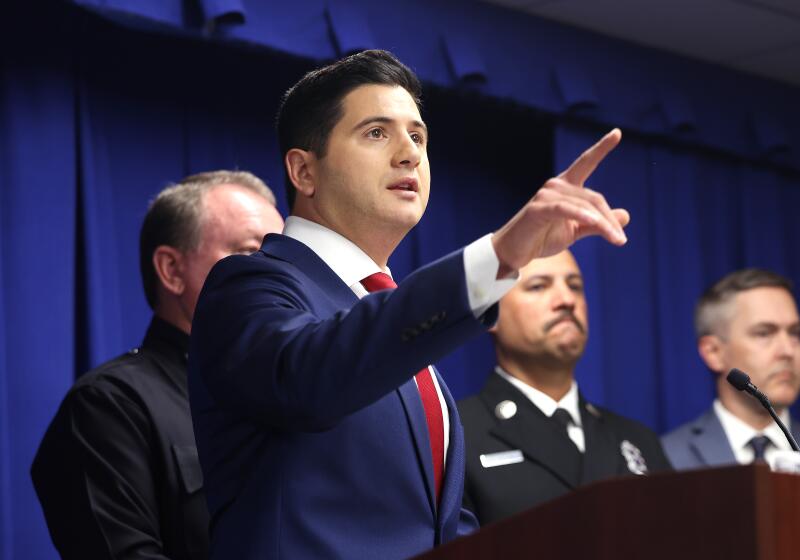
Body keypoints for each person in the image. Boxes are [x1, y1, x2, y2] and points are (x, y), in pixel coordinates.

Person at [188, 49, 630, 560]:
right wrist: (499, 257)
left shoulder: (396, 320)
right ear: (303, 172)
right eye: (377, 133)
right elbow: (310, 378)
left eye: (417, 136)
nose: (409, 154)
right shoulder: (249, 284)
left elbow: (441, 527)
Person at [31, 171, 284, 559]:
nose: (279, 275)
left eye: (281, 257)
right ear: (171, 270)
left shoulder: (292, 394)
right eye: (251, 252)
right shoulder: (109, 407)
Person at [457, 250, 672, 525]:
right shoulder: (457, 435)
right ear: (491, 313)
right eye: (539, 286)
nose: (567, 300)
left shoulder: (638, 439)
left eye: (575, 286)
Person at [662, 268, 800, 473]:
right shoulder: (667, 459)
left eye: (795, 333)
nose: (788, 350)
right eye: (764, 333)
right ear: (713, 352)